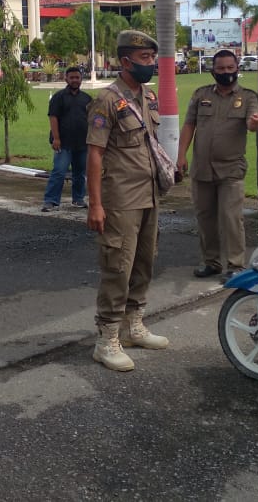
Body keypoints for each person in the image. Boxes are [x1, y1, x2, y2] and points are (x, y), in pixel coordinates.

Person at [86, 30, 169, 372]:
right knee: (117, 266)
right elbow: (94, 154)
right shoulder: (106, 100)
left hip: (148, 194)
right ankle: (106, 339)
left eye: (152, 58)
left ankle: (133, 324)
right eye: (145, 59)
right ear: (125, 61)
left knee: (144, 261)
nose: (151, 64)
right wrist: (95, 204)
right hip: (120, 198)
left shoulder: (148, 97)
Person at [176, 49, 258, 280]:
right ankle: (211, 262)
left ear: (237, 69)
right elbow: (189, 126)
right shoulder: (200, 94)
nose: (226, 73)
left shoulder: (248, 97)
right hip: (202, 169)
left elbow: (252, 123)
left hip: (231, 170)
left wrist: (255, 123)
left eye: (230, 68)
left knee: (231, 218)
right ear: (213, 70)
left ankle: (235, 266)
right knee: (205, 218)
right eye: (221, 69)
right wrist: (181, 156)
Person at [41, 66, 92, 211]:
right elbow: (53, 117)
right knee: (59, 171)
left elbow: (92, 119)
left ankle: (78, 199)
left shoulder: (87, 99)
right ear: (66, 79)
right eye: (72, 78)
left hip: (82, 143)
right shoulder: (59, 97)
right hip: (63, 143)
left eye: (77, 77)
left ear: (81, 79)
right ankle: (50, 201)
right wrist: (56, 138)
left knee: (80, 173)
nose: (75, 80)